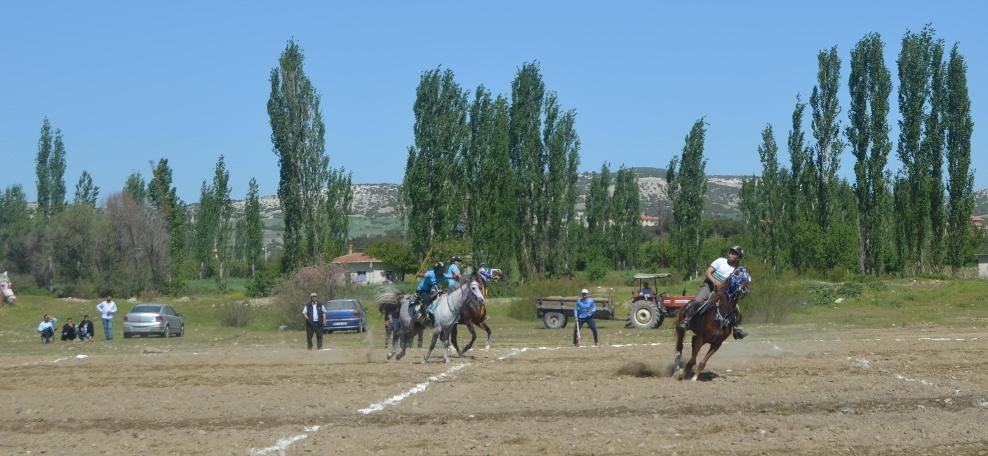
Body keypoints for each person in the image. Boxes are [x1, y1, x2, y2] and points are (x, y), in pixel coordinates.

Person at [678, 245, 748, 339]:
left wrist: (743, 289)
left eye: (733, 253)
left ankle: (736, 330)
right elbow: (708, 272)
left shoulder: (737, 271)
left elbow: (738, 284)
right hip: (709, 286)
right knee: (697, 301)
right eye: (730, 252)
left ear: (738, 258)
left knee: (736, 310)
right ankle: (686, 320)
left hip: (723, 292)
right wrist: (714, 281)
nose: (730, 254)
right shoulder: (720, 261)